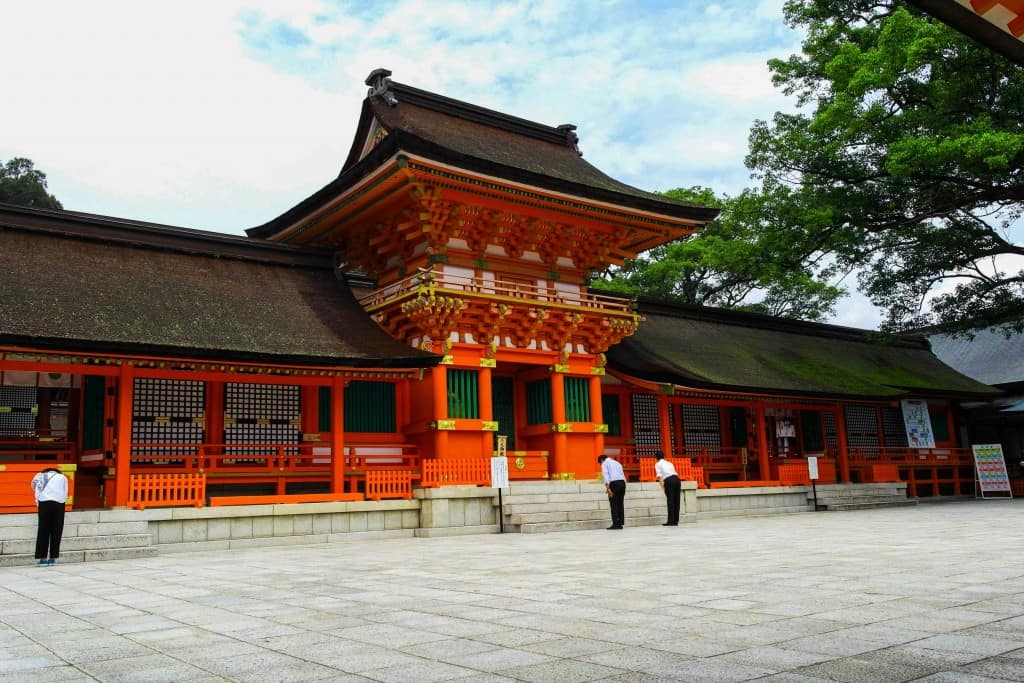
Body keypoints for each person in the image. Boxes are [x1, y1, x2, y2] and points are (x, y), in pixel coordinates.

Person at [31, 466, 68, 566]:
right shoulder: (62, 477)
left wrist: (38, 503)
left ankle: (42, 559)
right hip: (59, 504)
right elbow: (65, 492)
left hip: (44, 503)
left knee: (43, 530)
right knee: (57, 530)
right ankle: (52, 558)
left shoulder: (40, 475)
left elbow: (35, 488)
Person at [597, 454, 626, 529]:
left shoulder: (605, 463)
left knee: (614, 504)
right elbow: (622, 474)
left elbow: (606, 476)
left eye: (600, 463)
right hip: (622, 483)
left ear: (601, 460)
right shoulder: (617, 463)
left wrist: (608, 488)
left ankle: (615, 524)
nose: (601, 465)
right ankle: (620, 523)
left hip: (614, 484)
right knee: (620, 503)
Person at [654, 451, 681, 526]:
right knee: (676, 500)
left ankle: (670, 521)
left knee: (670, 501)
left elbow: (660, 477)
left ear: (656, 458)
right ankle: (675, 521)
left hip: (669, 481)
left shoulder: (657, 464)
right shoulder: (669, 463)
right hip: (677, 480)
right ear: (664, 456)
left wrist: (663, 488)